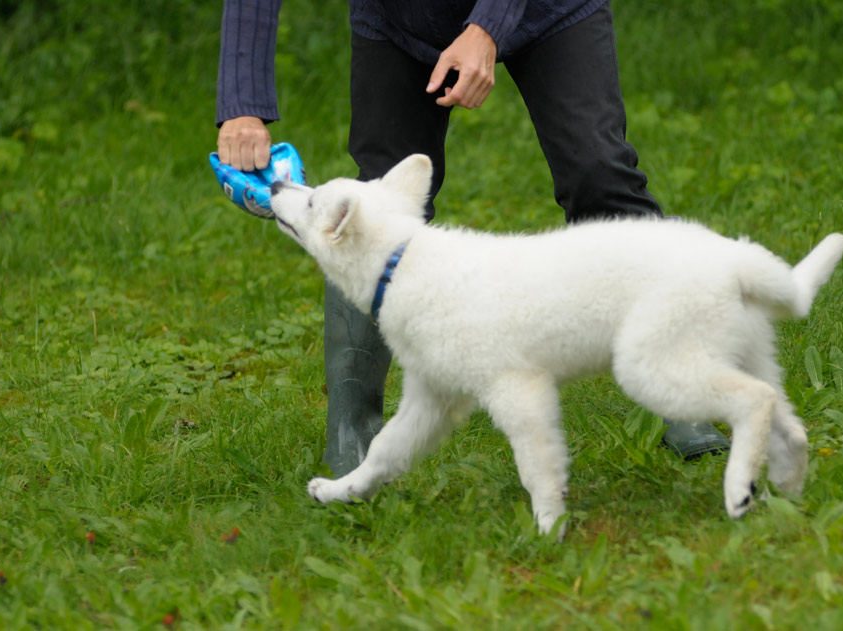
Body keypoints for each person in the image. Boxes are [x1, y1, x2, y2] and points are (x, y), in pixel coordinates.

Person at [216, 0, 730, 475]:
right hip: (400, 21)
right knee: (372, 205)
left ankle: (681, 388)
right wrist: (242, 103)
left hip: (548, 11)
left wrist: (486, 27)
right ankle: (351, 432)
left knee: (599, 173)